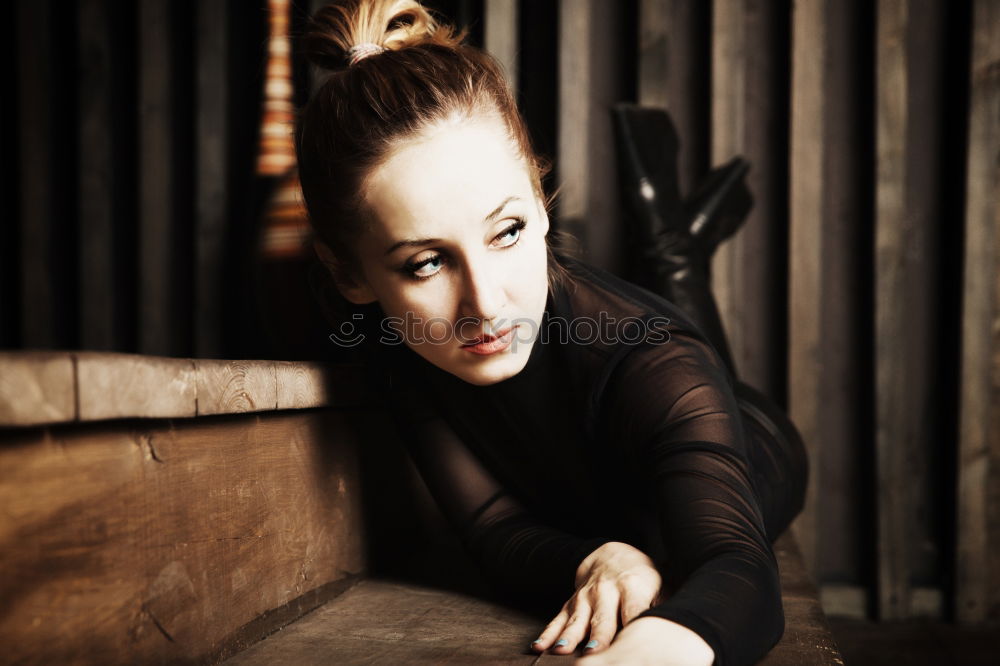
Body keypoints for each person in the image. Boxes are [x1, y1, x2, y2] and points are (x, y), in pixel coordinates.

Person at [296, 1, 808, 664]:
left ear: (541, 207)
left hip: (746, 432)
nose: (484, 303)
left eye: (506, 230)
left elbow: (736, 570)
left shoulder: (650, 355)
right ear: (352, 275)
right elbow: (494, 528)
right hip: (608, 439)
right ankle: (674, 245)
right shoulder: (395, 342)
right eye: (425, 262)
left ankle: (674, 253)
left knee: (674, 362)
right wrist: (600, 556)